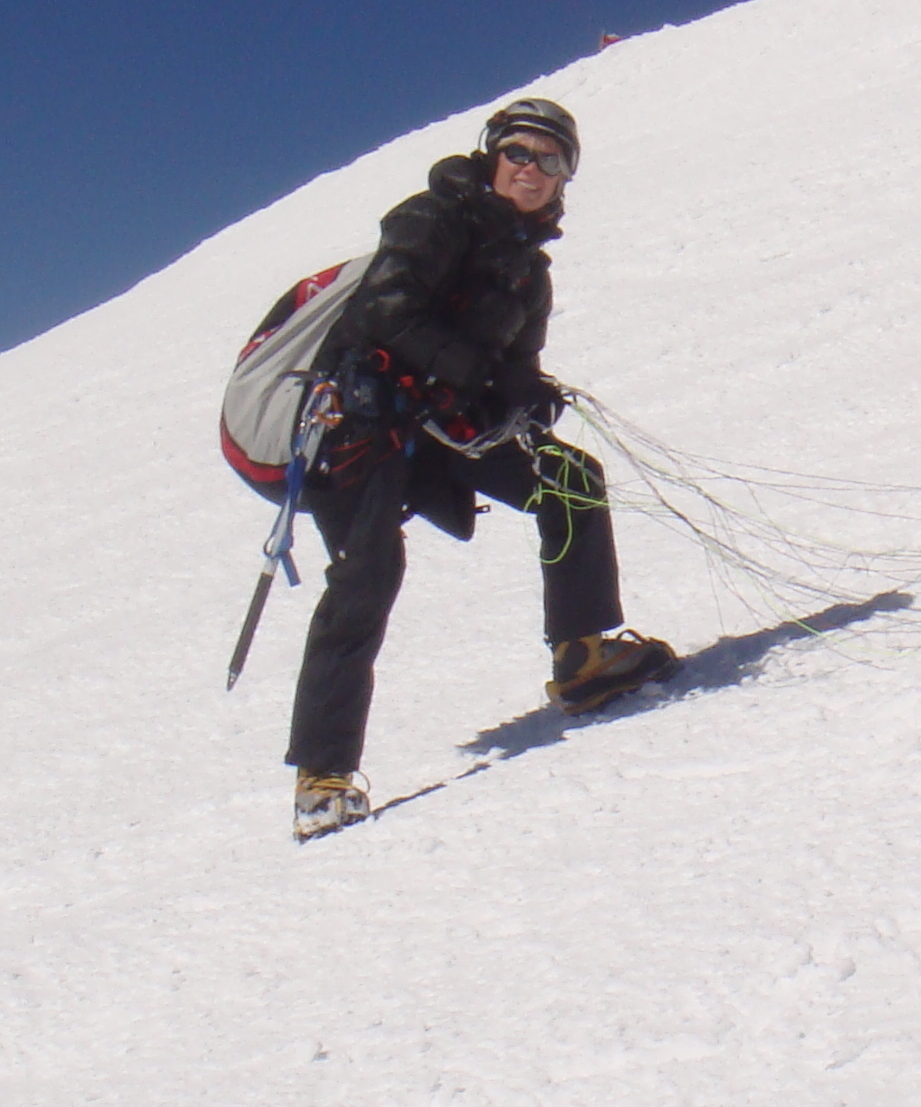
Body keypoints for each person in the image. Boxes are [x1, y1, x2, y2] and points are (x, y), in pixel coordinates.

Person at [284, 98, 675, 840]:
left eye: (550, 160)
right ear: (492, 155)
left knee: (568, 477)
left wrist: (525, 396)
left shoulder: (528, 275)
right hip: (361, 426)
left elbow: (515, 366)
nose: (532, 169)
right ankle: (322, 777)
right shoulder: (431, 219)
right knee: (367, 574)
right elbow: (387, 312)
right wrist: (476, 374)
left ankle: (583, 655)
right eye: (520, 153)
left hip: (436, 428)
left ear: (565, 181)